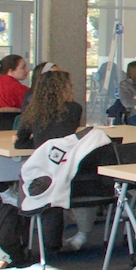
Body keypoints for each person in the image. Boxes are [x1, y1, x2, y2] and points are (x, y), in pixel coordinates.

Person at [14, 70, 93, 250]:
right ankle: (61, 239)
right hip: (67, 168)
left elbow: (21, 142)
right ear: (63, 89)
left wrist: (40, 144)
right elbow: (67, 140)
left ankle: (23, 238)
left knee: (29, 178)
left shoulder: (32, 111)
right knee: (58, 186)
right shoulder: (74, 109)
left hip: (42, 172)